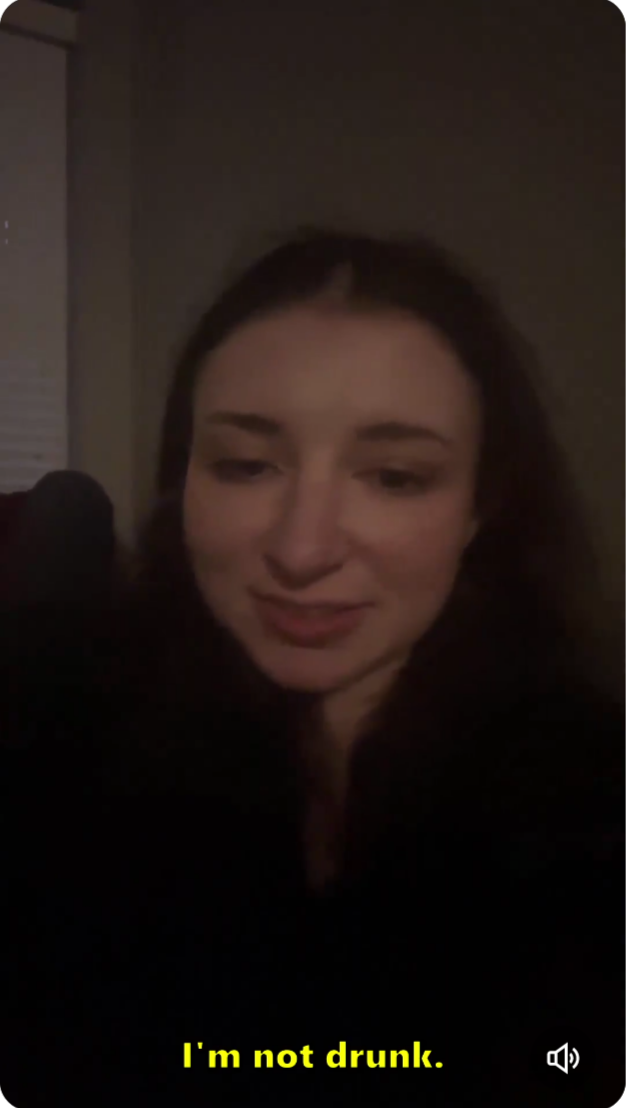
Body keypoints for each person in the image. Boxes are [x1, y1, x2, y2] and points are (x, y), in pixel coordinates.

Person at [2, 227, 623, 1108]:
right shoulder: (49, 739)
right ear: (186, 480)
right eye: (245, 465)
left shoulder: (593, 811)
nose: (302, 550)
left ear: (480, 506)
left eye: (395, 476)